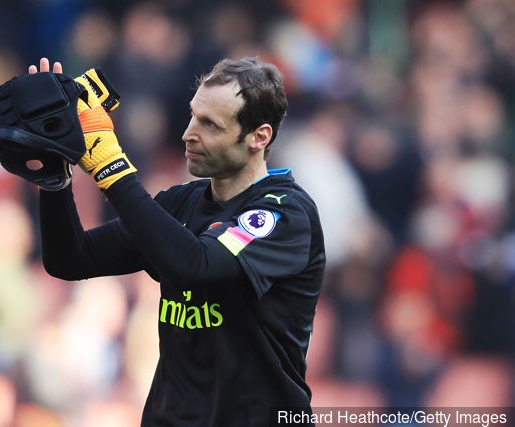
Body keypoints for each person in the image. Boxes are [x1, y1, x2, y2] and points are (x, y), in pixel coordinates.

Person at [33, 56, 326, 426]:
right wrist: (54, 173)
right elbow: (69, 259)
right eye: (193, 116)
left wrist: (111, 165)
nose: (188, 133)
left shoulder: (284, 213)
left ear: (259, 136)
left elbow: (195, 265)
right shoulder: (179, 202)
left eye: (210, 124)